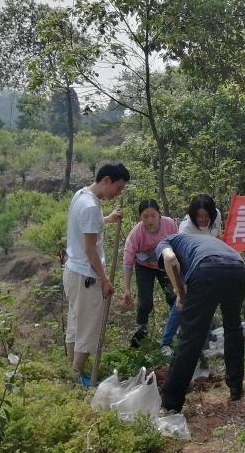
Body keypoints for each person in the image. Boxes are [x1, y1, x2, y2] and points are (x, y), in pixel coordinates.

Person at [156, 232, 245, 412]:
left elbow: (171, 259)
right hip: (238, 268)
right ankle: (236, 388)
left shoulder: (165, 241)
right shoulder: (195, 241)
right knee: (233, 328)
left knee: (190, 338)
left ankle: (170, 403)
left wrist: (178, 290)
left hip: (208, 269)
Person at [63, 163, 129, 385]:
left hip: (73, 271)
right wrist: (105, 279)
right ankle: (75, 378)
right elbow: (90, 250)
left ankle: (71, 372)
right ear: (106, 180)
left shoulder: (82, 195)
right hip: (87, 276)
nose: (117, 193)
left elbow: (88, 226)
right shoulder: (91, 207)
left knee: (76, 324)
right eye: (118, 188)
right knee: (89, 329)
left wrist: (108, 219)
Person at [162, 194, 223, 350]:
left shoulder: (216, 216)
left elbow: (217, 238)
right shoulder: (186, 229)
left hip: (209, 261)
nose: (203, 219)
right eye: (199, 216)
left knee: (208, 299)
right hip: (187, 262)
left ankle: (206, 334)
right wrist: (182, 283)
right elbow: (180, 256)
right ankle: (167, 342)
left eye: (206, 216)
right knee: (183, 300)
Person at [122, 199, 178, 347]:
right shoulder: (136, 234)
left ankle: (174, 331)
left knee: (174, 297)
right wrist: (127, 288)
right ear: (140, 217)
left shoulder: (169, 224)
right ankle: (141, 330)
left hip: (164, 263)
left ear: (159, 214)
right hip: (144, 266)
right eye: (145, 216)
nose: (149, 220)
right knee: (145, 301)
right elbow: (128, 261)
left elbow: (178, 245)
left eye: (153, 215)